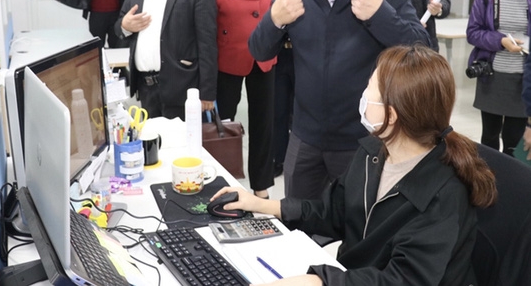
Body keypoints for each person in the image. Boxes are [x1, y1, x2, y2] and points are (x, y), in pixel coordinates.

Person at [212, 44, 497, 286]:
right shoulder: (373, 152)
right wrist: (261, 205)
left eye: (369, 88)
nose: (362, 96)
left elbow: (402, 280)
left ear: (392, 114)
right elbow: (333, 212)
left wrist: (319, 281)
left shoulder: (443, 193)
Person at [249, 0, 430, 200]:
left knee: (360, 228)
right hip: (305, 136)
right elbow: (258, 50)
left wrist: (379, 14)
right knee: (300, 223)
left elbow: (423, 51)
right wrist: (275, 20)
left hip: (365, 138)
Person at [211, 0, 278, 199]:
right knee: (224, 123)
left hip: (263, 57)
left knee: (264, 124)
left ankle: (261, 186)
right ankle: (224, 181)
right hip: (228, 58)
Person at [469, 0, 531, 155]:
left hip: (523, 80)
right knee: (489, 138)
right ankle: (487, 183)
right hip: (492, 75)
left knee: (514, 141)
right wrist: (501, 41)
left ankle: (510, 185)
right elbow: (473, 33)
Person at [270, 0, 304, 177]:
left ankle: (301, 159)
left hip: (304, 55)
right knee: (277, 110)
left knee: (301, 110)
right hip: (278, 54)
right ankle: (278, 160)